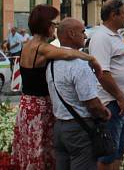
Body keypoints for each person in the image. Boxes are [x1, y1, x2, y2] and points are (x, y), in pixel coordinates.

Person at [12, 5, 102, 170]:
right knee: (42, 156)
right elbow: (68, 53)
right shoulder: (42, 47)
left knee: (32, 154)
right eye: (54, 23)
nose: (55, 27)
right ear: (46, 25)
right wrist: (91, 58)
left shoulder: (28, 45)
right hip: (40, 109)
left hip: (27, 106)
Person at [47, 18, 112, 170]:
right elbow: (92, 104)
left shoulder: (52, 63)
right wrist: (104, 113)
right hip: (79, 128)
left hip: (60, 127)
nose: (85, 36)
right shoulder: (79, 65)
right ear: (71, 33)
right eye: (82, 32)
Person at [89, 0, 124, 170]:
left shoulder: (116, 35)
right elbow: (103, 73)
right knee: (107, 153)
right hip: (113, 103)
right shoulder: (101, 37)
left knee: (118, 150)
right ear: (113, 15)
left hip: (123, 103)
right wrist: (119, 97)